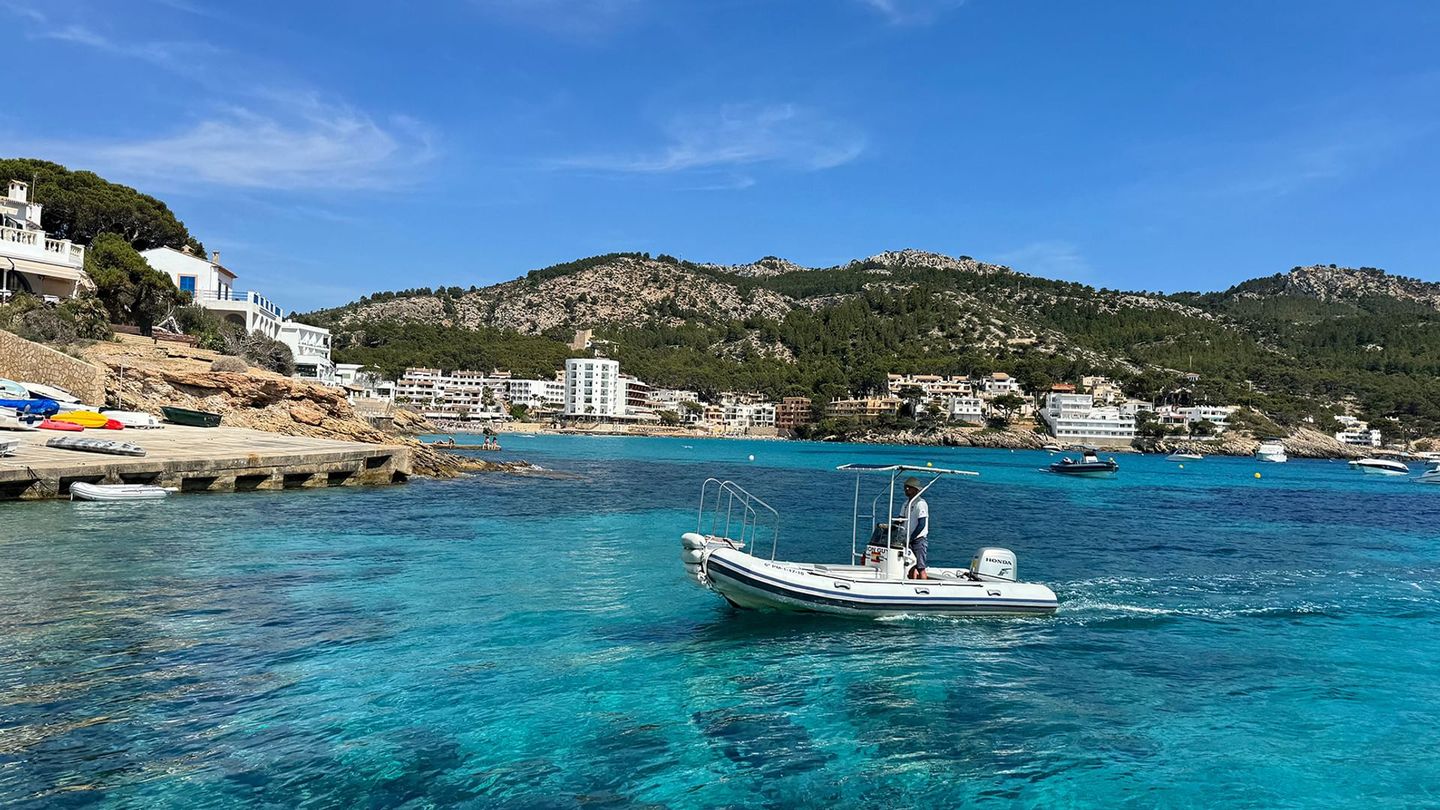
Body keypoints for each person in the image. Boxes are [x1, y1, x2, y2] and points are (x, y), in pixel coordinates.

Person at [898, 477, 930, 579]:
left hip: (918, 539)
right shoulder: (906, 504)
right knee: (910, 564)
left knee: (920, 567)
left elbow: (922, 524)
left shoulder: (920, 504)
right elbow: (900, 519)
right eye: (906, 487)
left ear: (916, 490)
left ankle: (924, 586)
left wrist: (911, 538)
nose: (907, 489)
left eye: (910, 487)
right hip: (907, 538)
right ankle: (911, 584)